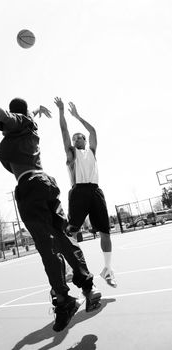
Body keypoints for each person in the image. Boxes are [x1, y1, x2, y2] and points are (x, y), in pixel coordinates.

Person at [0, 94, 102, 332]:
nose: (3, 130)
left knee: (47, 247)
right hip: (46, 184)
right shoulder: (30, 126)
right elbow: (24, 115)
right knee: (62, 238)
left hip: (30, 187)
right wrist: (37, 110)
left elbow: (9, 117)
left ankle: (64, 300)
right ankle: (88, 287)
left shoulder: (19, 122)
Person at [54, 97, 117, 288]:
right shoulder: (71, 155)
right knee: (71, 231)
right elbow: (64, 131)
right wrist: (62, 112)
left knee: (105, 232)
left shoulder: (92, 151)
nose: (75, 138)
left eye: (78, 136)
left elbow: (93, 131)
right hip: (79, 191)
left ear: (84, 139)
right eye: (74, 138)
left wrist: (78, 116)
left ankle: (107, 269)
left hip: (95, 191)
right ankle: (71, 269)